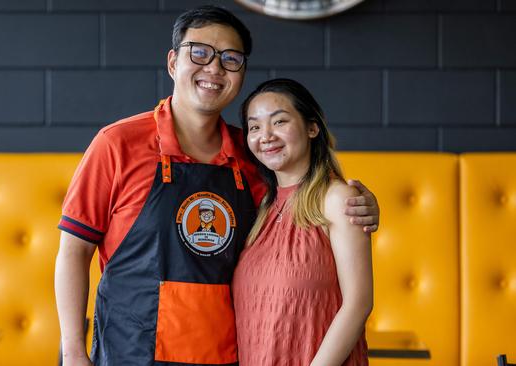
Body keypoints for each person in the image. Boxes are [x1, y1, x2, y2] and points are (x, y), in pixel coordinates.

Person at [55, 6, 379, 366]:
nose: (214, 68)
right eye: (200, 52)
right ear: (173, 62)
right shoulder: (117, 144)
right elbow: (74, 250)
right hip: (129, 354)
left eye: (230, 59)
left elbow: (301, 200)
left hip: (228, 357)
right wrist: (72, 351)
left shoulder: (254, 155)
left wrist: (358, 206)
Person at [232, 78, 373, 366]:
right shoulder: (261, 208)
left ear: (312, 127)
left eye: (279, 121)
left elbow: (358, 305)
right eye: (255, 127)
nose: (266, 135)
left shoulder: (336, 199)